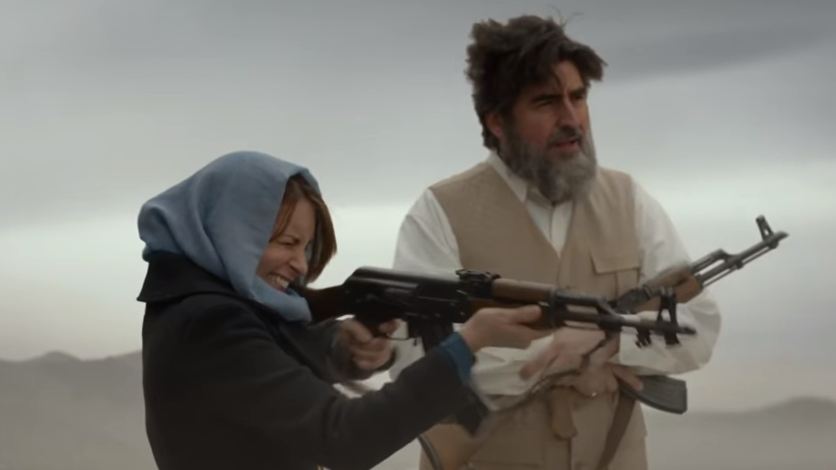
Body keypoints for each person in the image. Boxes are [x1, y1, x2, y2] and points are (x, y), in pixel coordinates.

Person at [389, 15, 722, 470]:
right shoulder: (439, 213)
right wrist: (551, 357)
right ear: (497, 121)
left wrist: (611, 340)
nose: (571, 119)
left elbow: (699, 325)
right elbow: (414, 357)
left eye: (578, 97)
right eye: (546, 102)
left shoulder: (629, 201)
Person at [136, 150, 560, 470]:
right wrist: (467, 344)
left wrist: (341, 347)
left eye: (306, 248)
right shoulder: (209, 323)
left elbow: (268, 357)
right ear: (232, 232)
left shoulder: (205, 308)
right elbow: (345, 436)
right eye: (287, 243)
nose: (301, 265)